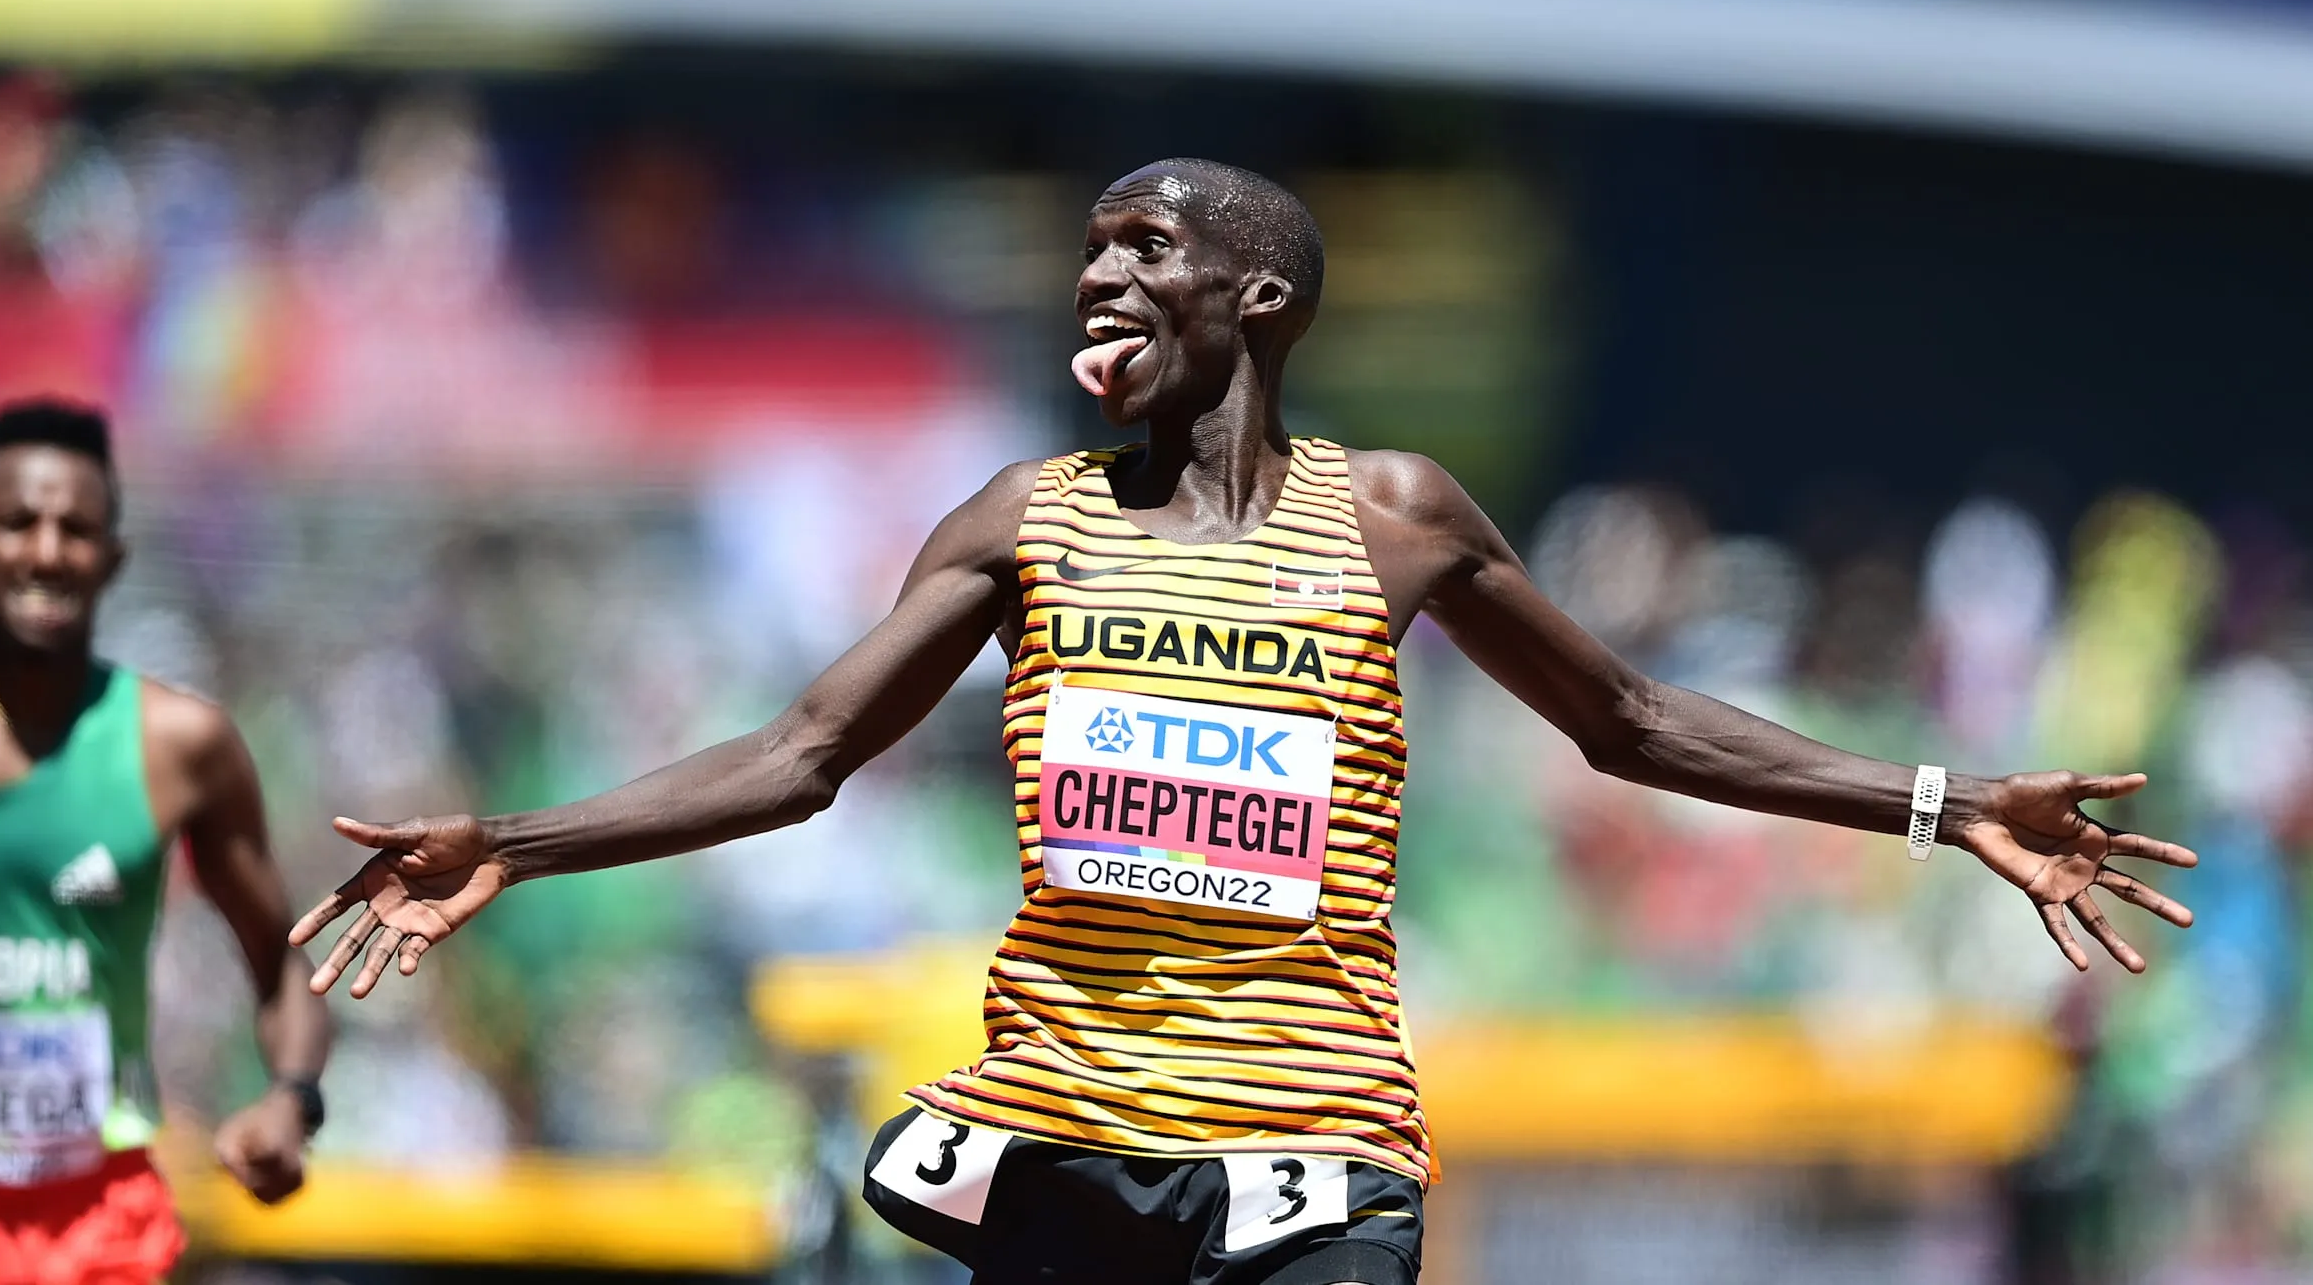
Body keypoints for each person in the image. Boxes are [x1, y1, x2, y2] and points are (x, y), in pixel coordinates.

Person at [291, 159, 2196, 1285]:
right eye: (1092, 248)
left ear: (1258, 293)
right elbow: (801, 755)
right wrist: (512, 845)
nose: (1101, 272)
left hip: (1313, 1153)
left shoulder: (1393, 519)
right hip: (1060, 1142)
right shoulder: (1021, 521)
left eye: (1147, 246)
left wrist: (1950, 803)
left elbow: (1629, 721)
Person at [0, 401, 333, 1284]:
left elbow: (284, 968)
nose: (46, 551)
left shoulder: (179, 746)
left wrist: (291, 1101)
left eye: (75, 529)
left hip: (94, 1236)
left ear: (113, 559)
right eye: (18, 523)